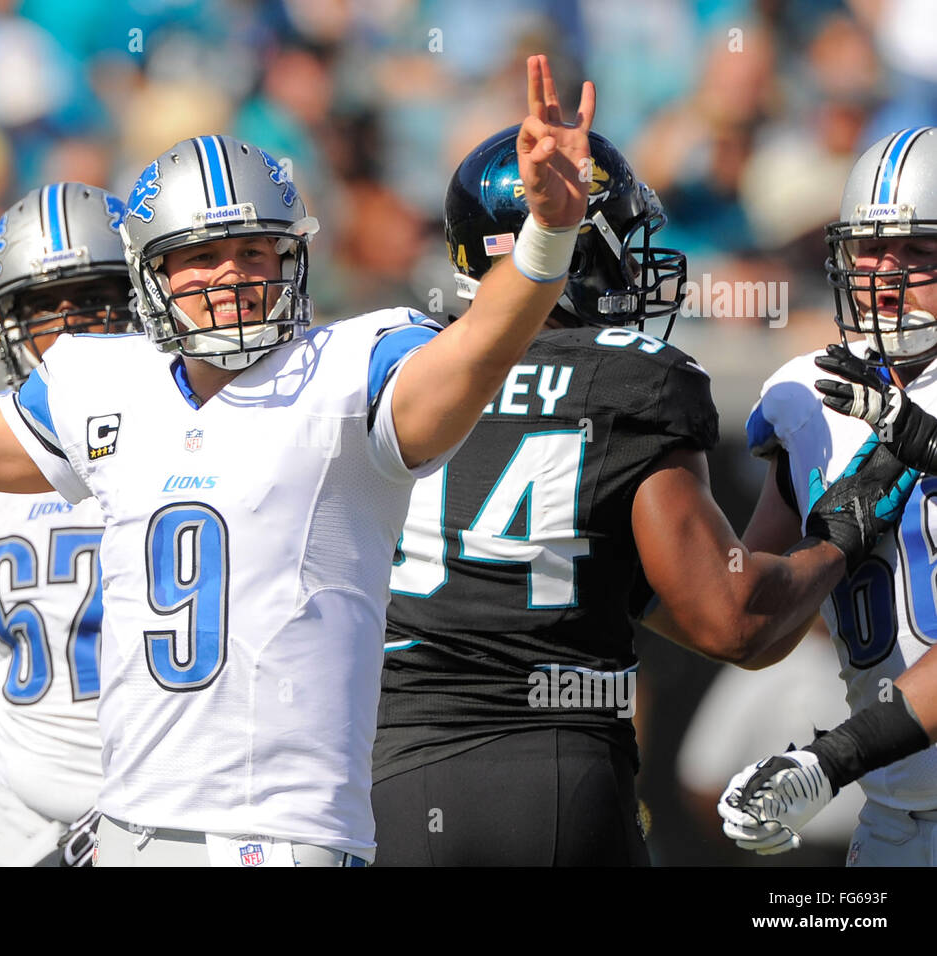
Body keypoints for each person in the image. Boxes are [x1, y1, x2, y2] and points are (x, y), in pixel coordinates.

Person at [0, 54, 595, 866]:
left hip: (279, 837)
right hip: (127, 825)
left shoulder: (349, 370)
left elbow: (472, 354)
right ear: (151, 275)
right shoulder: (101, 381)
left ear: (293, 259)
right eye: (202, 255)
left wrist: (546, 237)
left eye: (257, 251)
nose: (233, 275)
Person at [372, 126, 920, 866]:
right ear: (572, 247)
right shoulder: (633, 376)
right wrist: (840, 536)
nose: (636, 265)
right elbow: (736, 622)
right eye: (622, 241)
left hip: (384, 777)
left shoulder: (394, 371)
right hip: (552, 782)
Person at [719, 128, 937, 864]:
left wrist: (829, 760)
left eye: (918, 253)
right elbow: (753, 612)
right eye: (873, 250)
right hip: (892, 813)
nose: (887, 274)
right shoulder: (811, 395)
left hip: (856, 764)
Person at [0, 182, 133, 867]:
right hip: (22, 813)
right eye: (40, 305)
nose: (66, 324)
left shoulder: (200, 430)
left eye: (94, 298)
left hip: (162, 812)